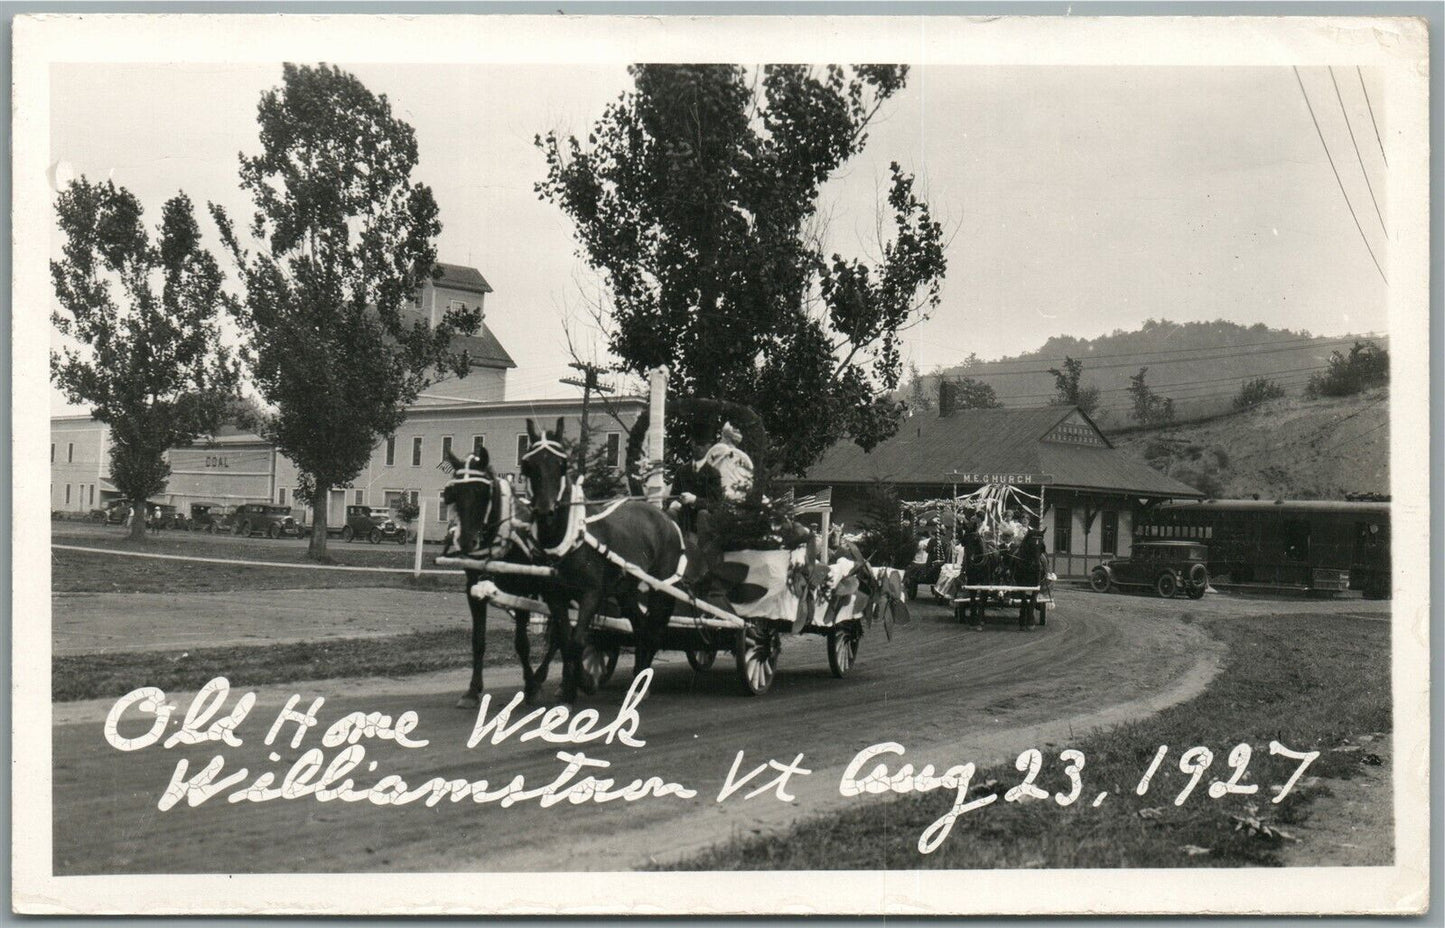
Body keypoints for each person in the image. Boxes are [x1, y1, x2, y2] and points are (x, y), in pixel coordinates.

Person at [703, 421, 754, 503]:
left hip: (736, 494)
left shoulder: (740, 455)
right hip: (725, 495)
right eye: (736, 429)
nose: (739, 431)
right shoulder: (720, 449)